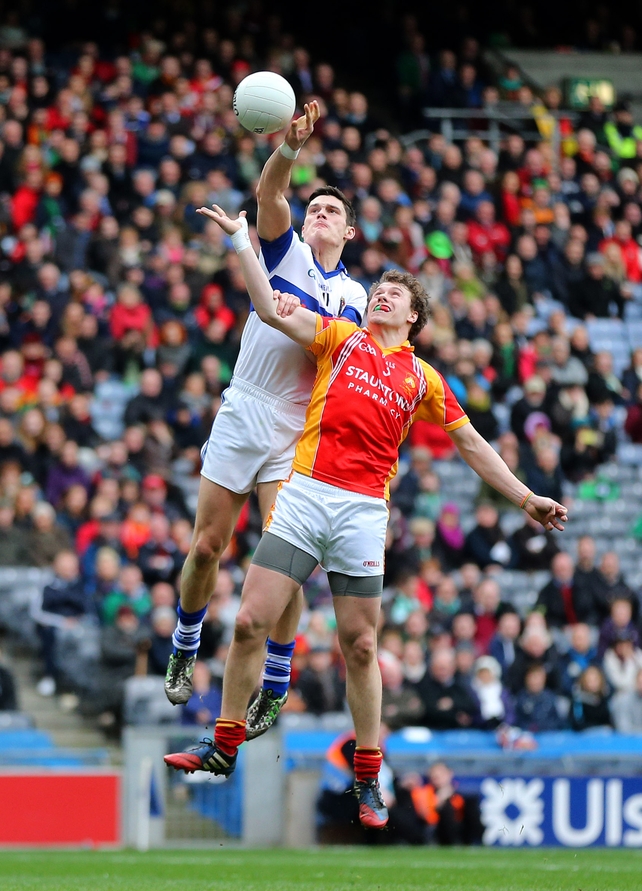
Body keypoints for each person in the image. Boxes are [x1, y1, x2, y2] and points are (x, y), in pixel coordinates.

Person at [164, 205, 568, 832]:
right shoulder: (339, 337)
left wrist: (524, 496)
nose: (381, 296)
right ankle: (223, 744)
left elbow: (471, 444)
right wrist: (242, 241)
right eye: (377, 290)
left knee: (361, 646)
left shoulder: (423, 378)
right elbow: (268, 308)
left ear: (413, 317)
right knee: (246, 621)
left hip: (361, 512)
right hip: (305, 495)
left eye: (394, 295)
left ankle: (368, 778)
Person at [164, 103, 368, 746]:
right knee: (207, 546)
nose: (319, 213)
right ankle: (185, 640)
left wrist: (296, 319)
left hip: (293, 428)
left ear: (350, 231)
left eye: (332, 210)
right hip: (244, 406)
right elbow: (270, 195)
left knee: (285, 559)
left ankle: (276, 680)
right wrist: (290, 149)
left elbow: (329, 350)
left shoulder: (357, 298)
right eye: (315, 208)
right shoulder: (286, 252)